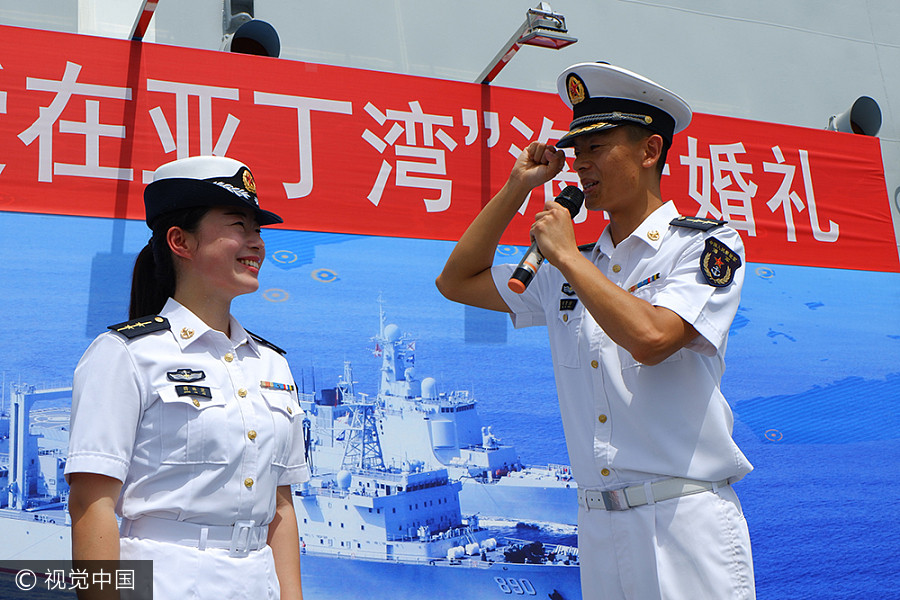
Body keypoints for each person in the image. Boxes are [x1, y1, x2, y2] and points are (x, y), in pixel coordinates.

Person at [436, 62, 755, 599]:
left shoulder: (702, 245)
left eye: (597, 149)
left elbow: (653, 339)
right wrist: (517, 186)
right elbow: (457, 281)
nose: (581, 167)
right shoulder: (573, 265)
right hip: (599, 527)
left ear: (650, 151)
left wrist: (565, 256)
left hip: (683, 521)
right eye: (577, 152)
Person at [65, 156, 309, 599]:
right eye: (239, 225)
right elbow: (89, 504)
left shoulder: (272, 364)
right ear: (180, 241)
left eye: (258, 230)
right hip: (164, 581)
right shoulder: (126, 355)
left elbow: (281, 506)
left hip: (258, 584)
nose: (256, 244)